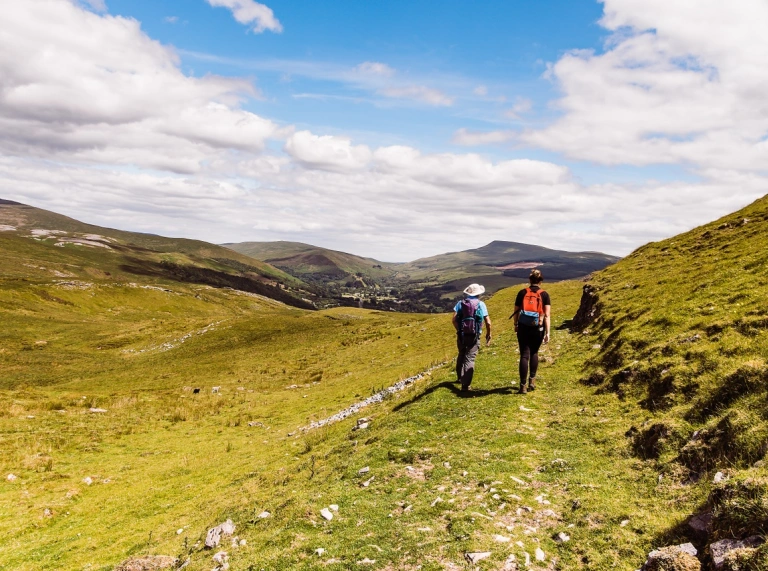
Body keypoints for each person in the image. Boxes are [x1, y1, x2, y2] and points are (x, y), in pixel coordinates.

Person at [510, 269, 551, 394]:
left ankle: (522, 386)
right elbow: (547, 315)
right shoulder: (544, 294)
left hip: (523, 326)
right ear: (540, 281)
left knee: (524, 355)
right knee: (534, 353)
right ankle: (532, 380)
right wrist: (548, 332)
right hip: (538, 328)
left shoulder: (522, 292)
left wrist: (516, 324)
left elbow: (516, 311)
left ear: (530, 280)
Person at [452, 283, 492, 392]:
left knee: (461, 354)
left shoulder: (460, 303)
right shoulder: (481, 304)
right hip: (475, 335)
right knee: (470, 358)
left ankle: (460, 378)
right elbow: (488, 322)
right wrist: (488, 333)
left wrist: (459, 330)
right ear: (478, 294)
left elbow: (454, 320)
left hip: (462, 334)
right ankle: (466, 386)